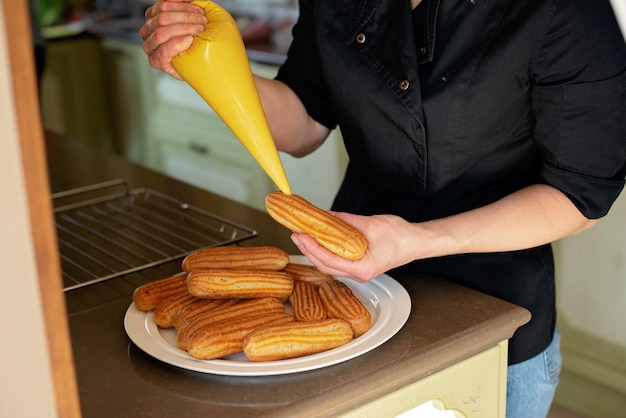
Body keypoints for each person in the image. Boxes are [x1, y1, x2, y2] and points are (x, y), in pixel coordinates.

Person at [141, 0, 626, 416]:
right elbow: (305, 120)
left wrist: (418, 240)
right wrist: (207, 66)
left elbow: (580, 193)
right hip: (351, 301)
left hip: (493, 314)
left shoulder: (564, 10)